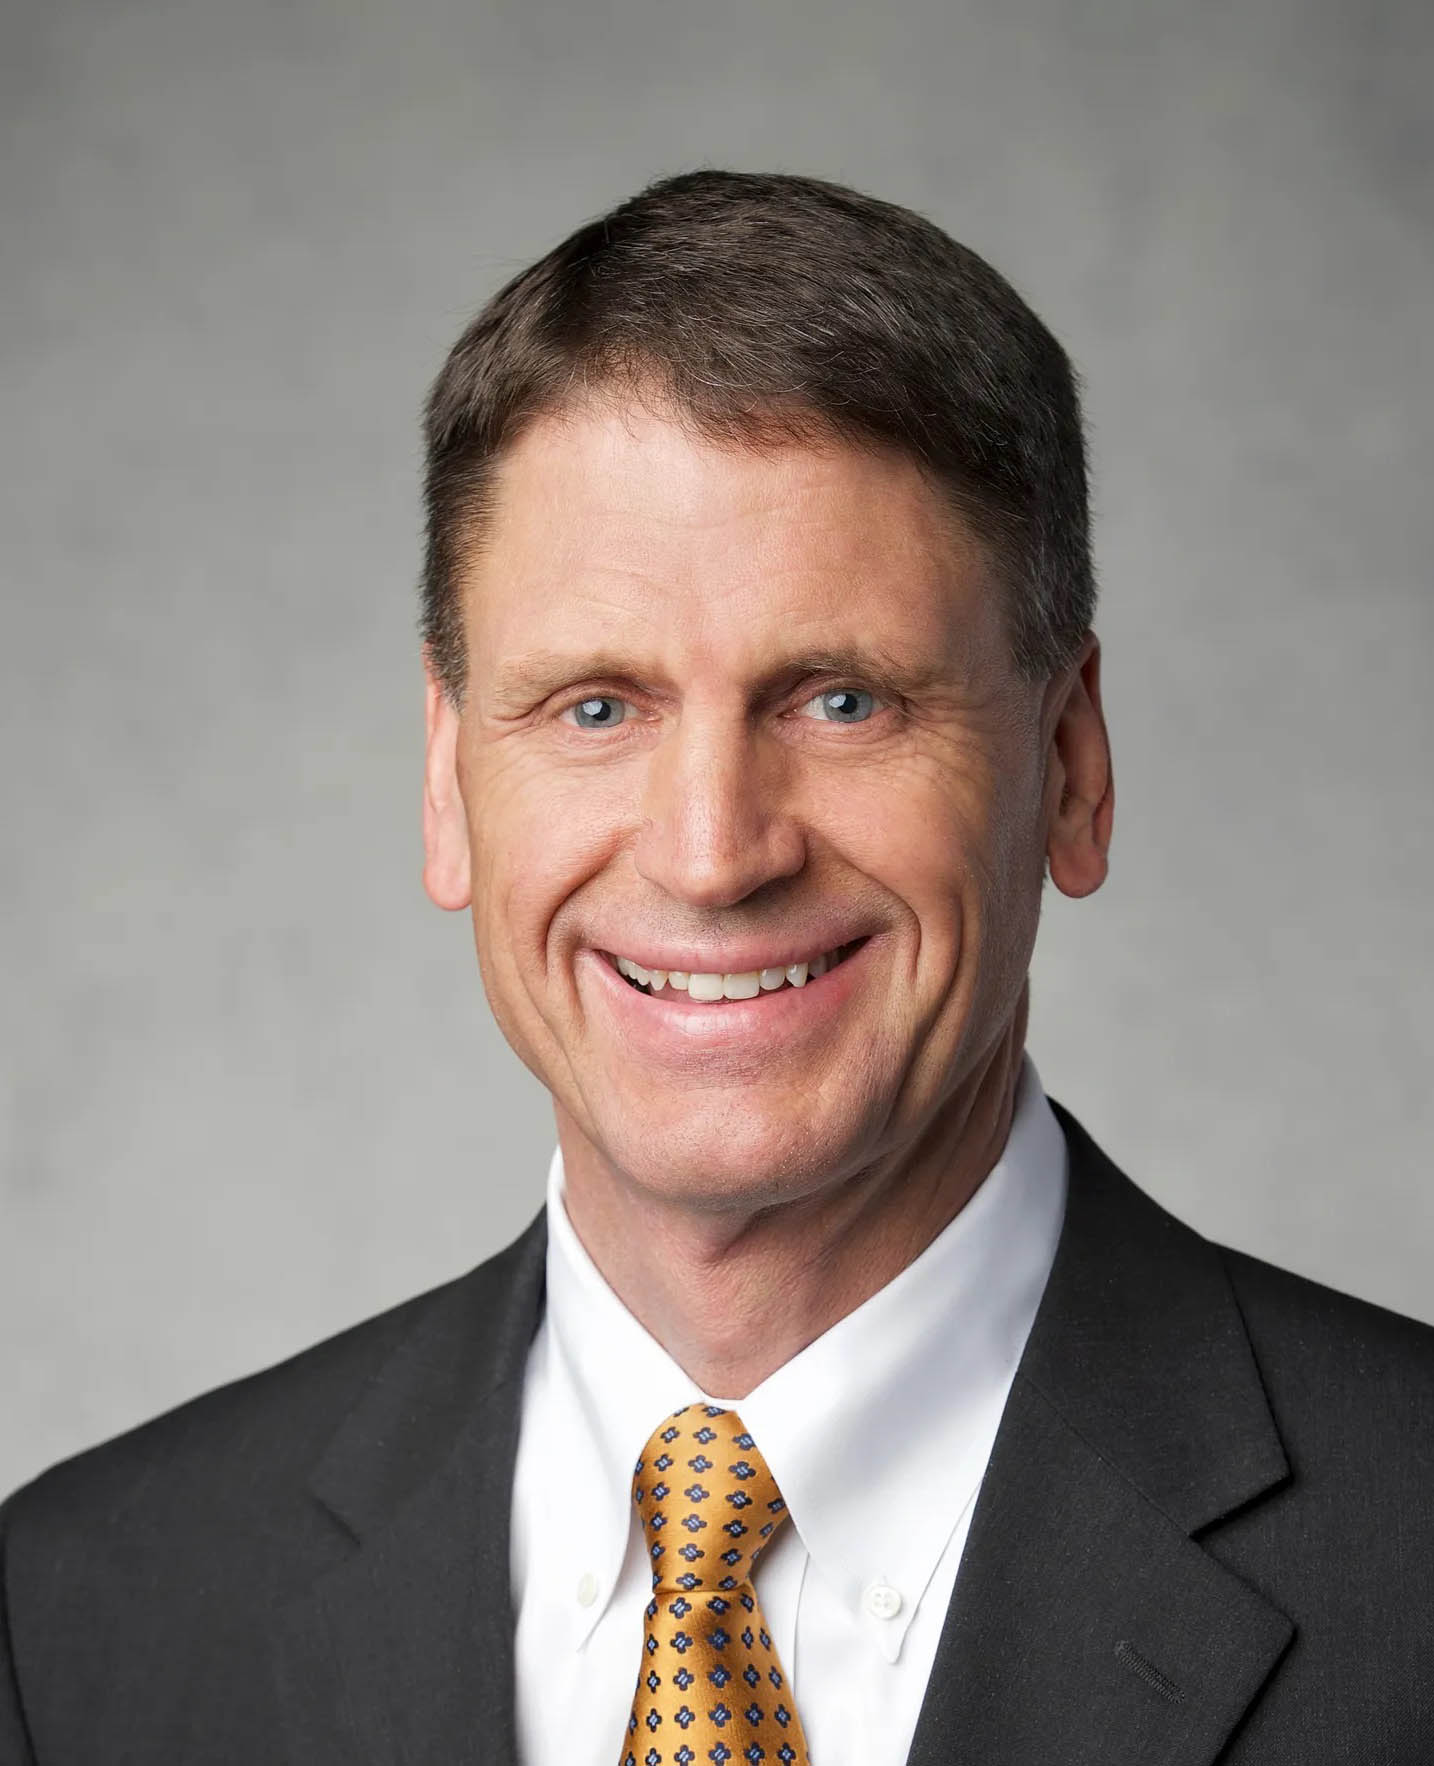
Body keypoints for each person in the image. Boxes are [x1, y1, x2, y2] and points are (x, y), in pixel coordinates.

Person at [2, 169, 1431, 1766]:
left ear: (1071, 765)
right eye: (595, 706)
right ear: (446, 782)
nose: (710, 852)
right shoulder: (83, 1623)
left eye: (841, 700)